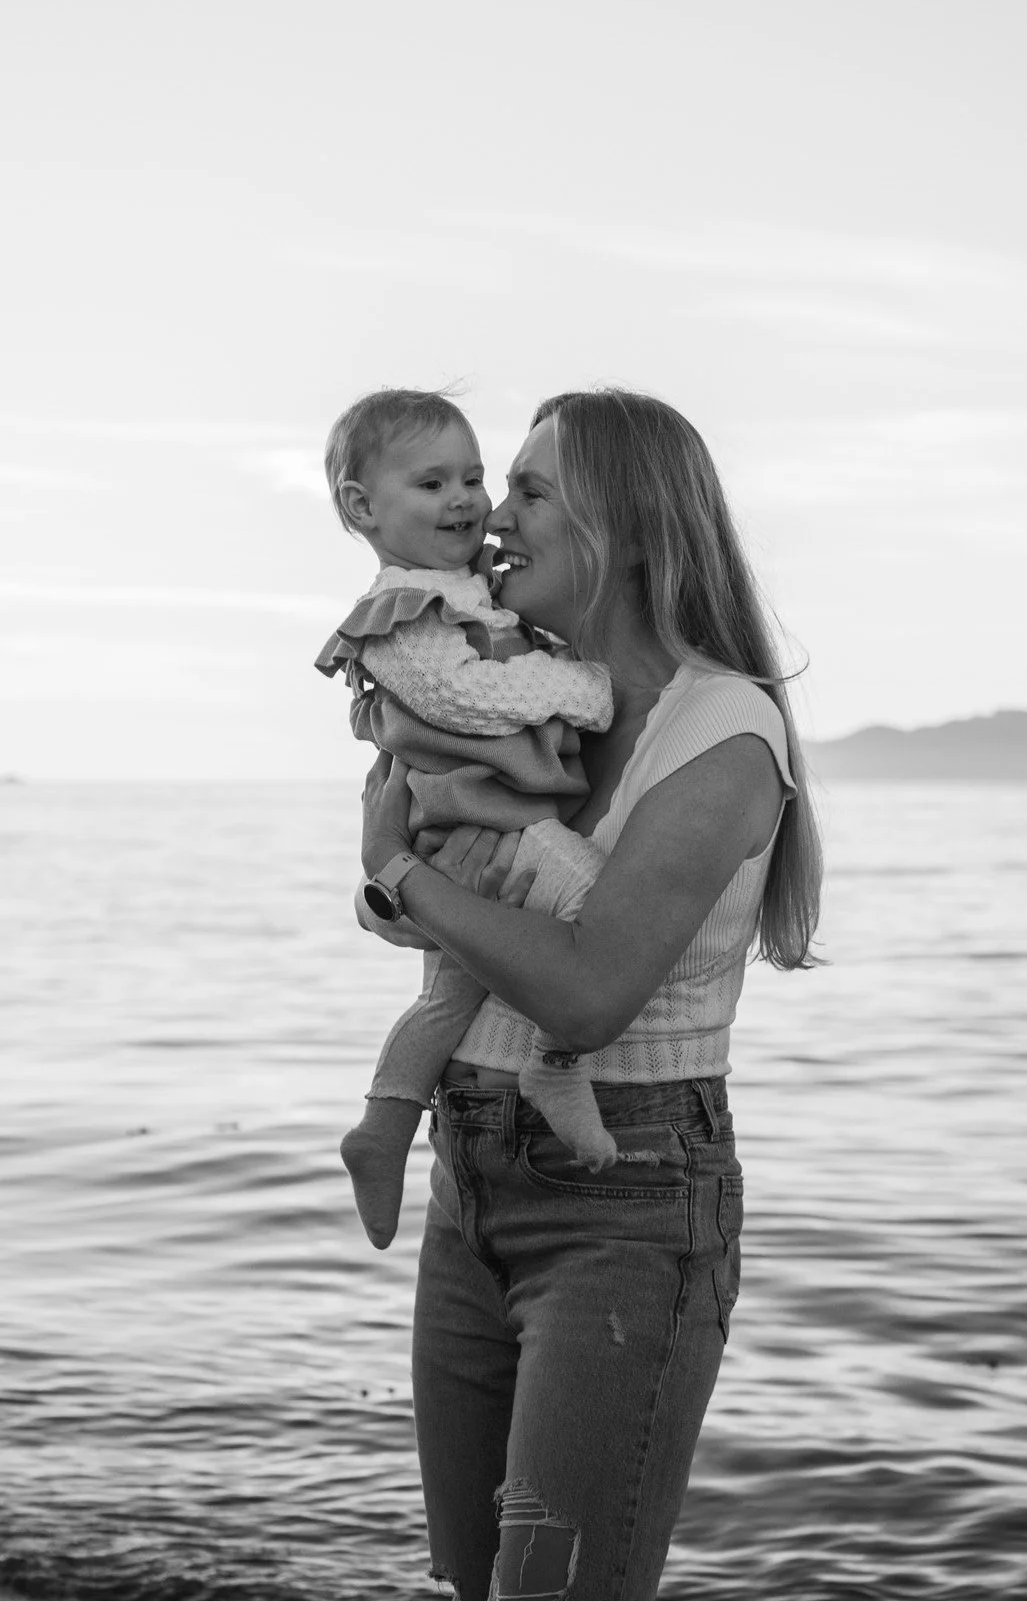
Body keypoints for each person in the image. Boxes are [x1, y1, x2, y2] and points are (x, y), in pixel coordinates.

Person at [357, 387, 823, 1601]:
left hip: (627, 1205)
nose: (491, 517)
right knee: (475, 1587)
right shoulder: (525, 696)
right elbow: (458, 904)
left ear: (626, 526)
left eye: (528, 490)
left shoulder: (723, 732)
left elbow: (585, 996)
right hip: (471, 1177)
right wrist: (406, 877)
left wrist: (397, 870)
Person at [315, 388, 622, 1250]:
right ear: (363, 508)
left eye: (474, 478)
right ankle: (556, 1065)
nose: (464, 500)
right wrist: (586, 690)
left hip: (486, 825)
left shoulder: (471, 590)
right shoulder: (402, 612)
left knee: (452, 999)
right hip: (482, 827)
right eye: (432, 483)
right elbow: (467, 697)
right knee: (594, 908)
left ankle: (381, 1129)